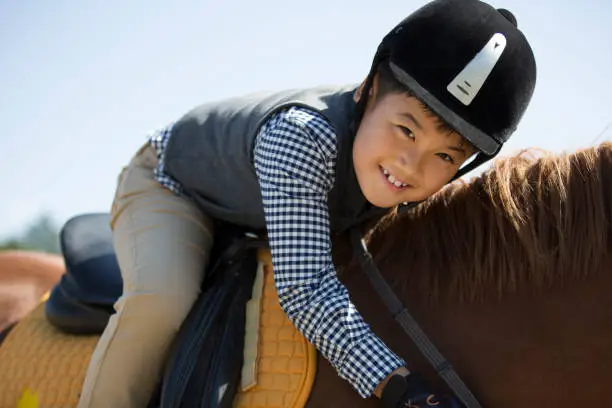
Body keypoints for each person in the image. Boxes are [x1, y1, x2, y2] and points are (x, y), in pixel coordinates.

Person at [77, 0, 537, 406]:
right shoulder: (302, 137)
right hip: (173, 183)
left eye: (443, 156)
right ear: (371, 87)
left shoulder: (403, 173)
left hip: (257, 201)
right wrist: (401, 386)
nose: (411, 165)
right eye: (406, 130)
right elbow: (306, 289)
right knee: (162, 298)